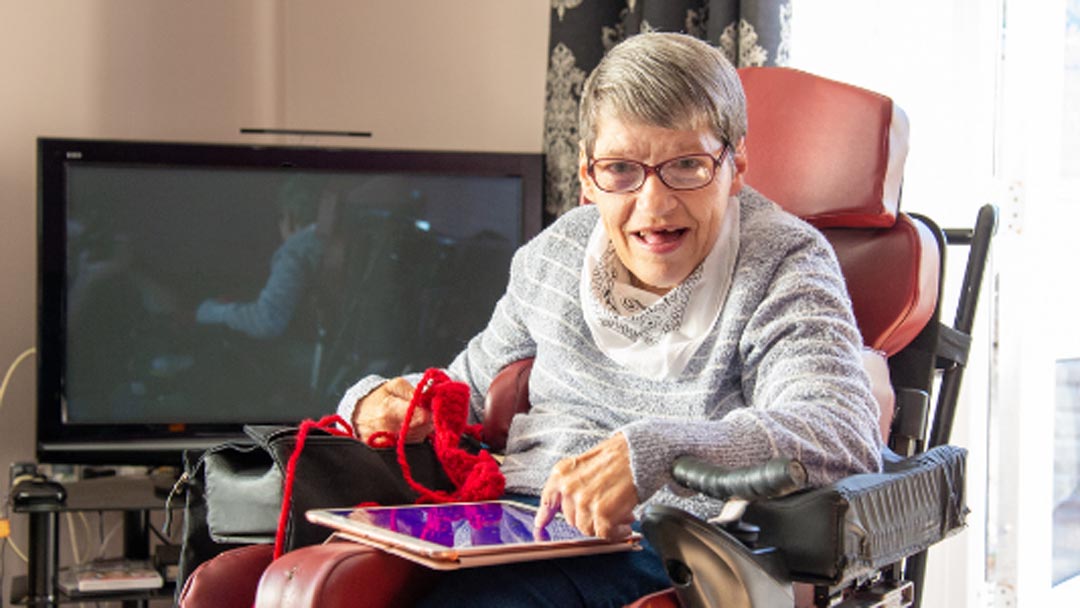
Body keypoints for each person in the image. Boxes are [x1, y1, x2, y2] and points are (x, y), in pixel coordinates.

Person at [337, 32, 882, 606]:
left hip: (671, 543)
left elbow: (839, 430)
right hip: (519, 524)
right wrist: (372, 403)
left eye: (688, 166)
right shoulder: (553, 256)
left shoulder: (784, 262)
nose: (654, 206)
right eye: (622, 169)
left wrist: (652, 454)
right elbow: (461, 393)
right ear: (587, 175)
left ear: (736, 163)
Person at [195, 176, 326, 340]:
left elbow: (266, 322)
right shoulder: (325, 245)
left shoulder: (295, 253)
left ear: (290, 219)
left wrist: (214, 311)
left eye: (280, 218)